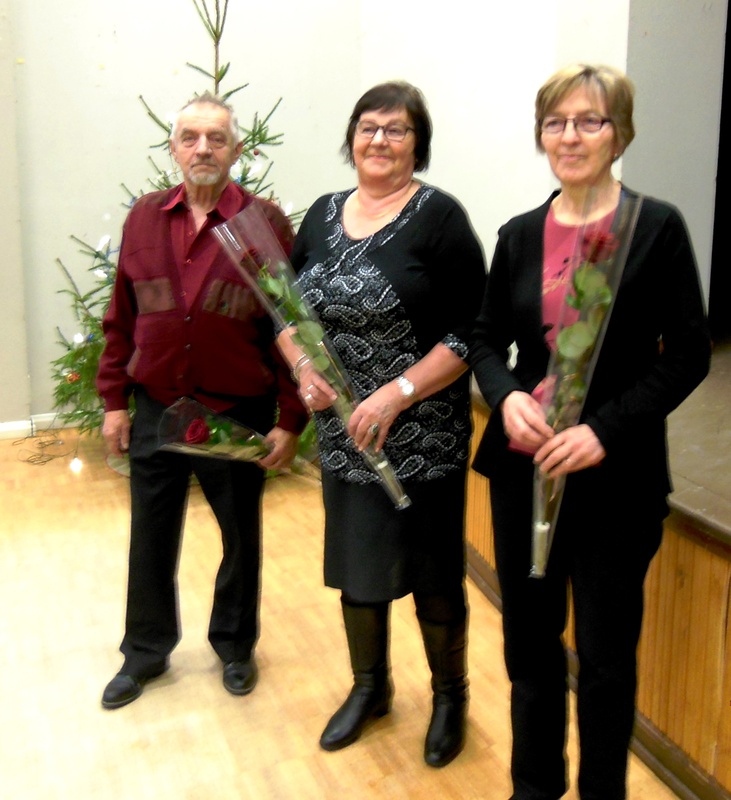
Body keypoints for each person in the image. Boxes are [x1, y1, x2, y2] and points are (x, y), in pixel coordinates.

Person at [471, 64, 711, 799]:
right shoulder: (519, 235)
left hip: (615, 475)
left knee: (606, 659)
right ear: (541, 134)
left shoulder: (654, 229)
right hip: (525, 468)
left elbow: (689, 355)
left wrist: (604, 430)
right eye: (556, 123)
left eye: (589, 121)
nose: (570, 137)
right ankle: (534, 788)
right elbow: (484, 340)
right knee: (529, 645)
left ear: (619, 135)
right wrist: (505, 396)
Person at [278, 81, 486, 767]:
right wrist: (301, 368)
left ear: (416, 144)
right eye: (368, 127)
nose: (379, 140)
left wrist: (397, 393)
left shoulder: (439, 217)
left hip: (422, 436)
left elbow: (472, 332)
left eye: (396, 130)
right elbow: (284, 307)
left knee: (432, 574)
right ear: (351, 137)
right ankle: (371, 688)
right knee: (357, 566)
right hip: (345, 438)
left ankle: (450, 696)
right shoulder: (321, 213)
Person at [97, 92, 308, 710]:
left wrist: (291, 418)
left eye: (216, 138)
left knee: (240, 535)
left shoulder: (265, 223)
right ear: (173, 149)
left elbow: (290, 325)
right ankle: (145, 651)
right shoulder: (144, 218)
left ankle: (236, 646)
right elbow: (121, 316)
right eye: (190, 137)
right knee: (150, 535)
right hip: (157, 405)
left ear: (236, 149)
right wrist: (114, 401)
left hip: (236, 410)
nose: (203, 149)